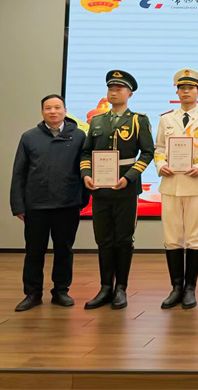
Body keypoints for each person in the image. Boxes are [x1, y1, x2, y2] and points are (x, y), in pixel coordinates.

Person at [80, 70, 154, 310]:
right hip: (100, 188)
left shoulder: (138, 120)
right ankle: (105, 288)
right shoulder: (97, 121)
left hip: (125, 189)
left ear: (129, 93)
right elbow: (86, 152)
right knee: (103, 239)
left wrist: (129, 177)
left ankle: (121, 287)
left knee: (123, 239)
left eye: (119, 89)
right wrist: (86, 174)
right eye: (110, 88)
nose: (113, 92)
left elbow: (148, 153)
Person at [154, 69, 198, 309]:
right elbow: (159, 148)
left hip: (196, 182)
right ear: (177, 92)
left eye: (190, 88)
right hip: (170, 183)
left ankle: (190, 288)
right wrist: (161, 165)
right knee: (172, 238)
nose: (186, 92)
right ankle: (176, 287)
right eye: (182, 88)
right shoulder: (166, 119)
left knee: (194, 238)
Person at [10, 94, 87, 312]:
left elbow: (85, 168)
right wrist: (18, 206)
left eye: (57, 107)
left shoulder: (79, 136)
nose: (53, 111)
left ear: (65, 110)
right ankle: (32, 293)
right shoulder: (29, 137)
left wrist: (82, 200)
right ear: (42, 111)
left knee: (64, 250)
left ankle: (61, 291)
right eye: (48, 108)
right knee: (34, 252)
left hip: (67, 205)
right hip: (36, 206)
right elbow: (19, 173)